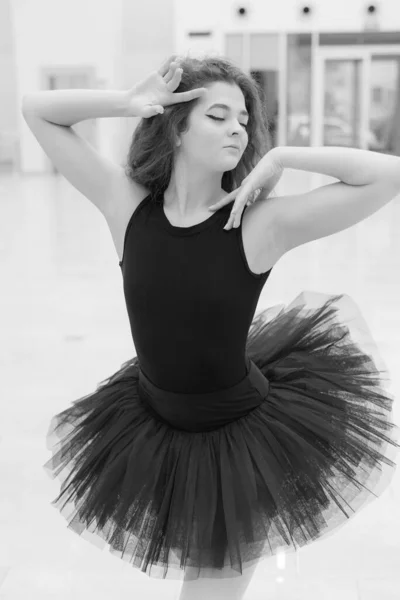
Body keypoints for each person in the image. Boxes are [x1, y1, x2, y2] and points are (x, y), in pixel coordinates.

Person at [23, 54, 400, 596]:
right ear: (176, 126)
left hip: (237, 445)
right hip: (152, 428)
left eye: (244, 119)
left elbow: (387, 176)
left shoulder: (258, 225)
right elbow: (36, 111)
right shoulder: (126, 206)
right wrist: (128, 103)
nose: (238, 130)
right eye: (218, 116)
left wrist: (284, 155)